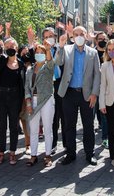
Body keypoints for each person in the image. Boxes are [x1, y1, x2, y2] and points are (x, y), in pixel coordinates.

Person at [55, 24, 101, 166]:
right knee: (69, 125)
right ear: (72, 37)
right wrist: (61, 47)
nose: (79, 37)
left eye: (82, 34)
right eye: (76, 34)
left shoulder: (93, 53)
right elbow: (58, 62)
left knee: (88, 125)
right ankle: (70, 153)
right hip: (69, 93)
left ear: (86, 36)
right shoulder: (66, 50)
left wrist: (94, 93)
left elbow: (97, 75)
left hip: (87, 95)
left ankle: (90, 154)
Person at [0, 25, 26, 165]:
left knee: (14, 126)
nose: (10, 47)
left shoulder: (22, 64)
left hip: (15, 98)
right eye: (7, 45)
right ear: (4, 48)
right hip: (0, 97)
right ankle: (1, 152)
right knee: (1, 125)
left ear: (16, 48)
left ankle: (12, 152)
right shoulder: (1, 61)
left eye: (13, 45)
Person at [24, 42, 55, 167]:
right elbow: (27, 87)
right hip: (33, 100)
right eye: (37, 52)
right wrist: (28, 102)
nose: (39, 54)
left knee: (47, 129)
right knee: (34, 129)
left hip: (46, 99)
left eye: (42, 53)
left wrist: (48, 50)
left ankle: (48, 155)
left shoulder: (48, 67)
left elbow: (51, 62)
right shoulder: (30, 69)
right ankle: (33, 155)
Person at [42, 27, 66, 155]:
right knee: (53, 117)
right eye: (46, 36)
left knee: (64, 115)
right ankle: (53, 144)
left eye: (51, 36)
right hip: (47, 86)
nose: (48, 38)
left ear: (55, 37)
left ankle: (67, 144)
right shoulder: (40, 50)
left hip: (60, 84)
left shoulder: (61, 48)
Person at [94, 31, 109, 148]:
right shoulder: (92, 52)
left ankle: (105, 138)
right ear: (96, 40)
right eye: (100, 39)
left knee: (105, 115)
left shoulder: (110, 53)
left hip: (107, 88)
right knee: (91, 114)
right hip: (94, 88)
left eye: (104, 39)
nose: (103, 41)